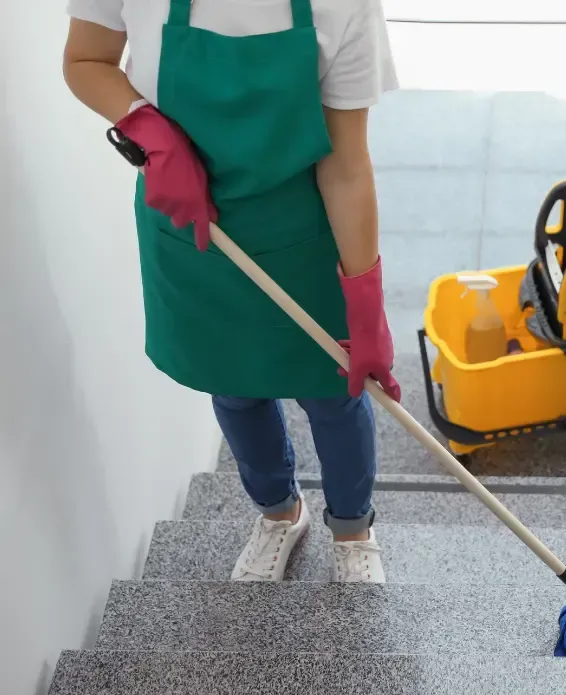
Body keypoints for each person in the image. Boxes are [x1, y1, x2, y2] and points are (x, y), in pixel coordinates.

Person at [63, 0, 401, 583]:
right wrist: (146, 125)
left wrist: (366, 306)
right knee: (234, 384)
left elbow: (346, 165)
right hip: (193, 230)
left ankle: (352, 528)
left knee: (332, 393)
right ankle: (279, 514)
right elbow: (86, 58)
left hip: (302, 231)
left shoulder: (344, 5)